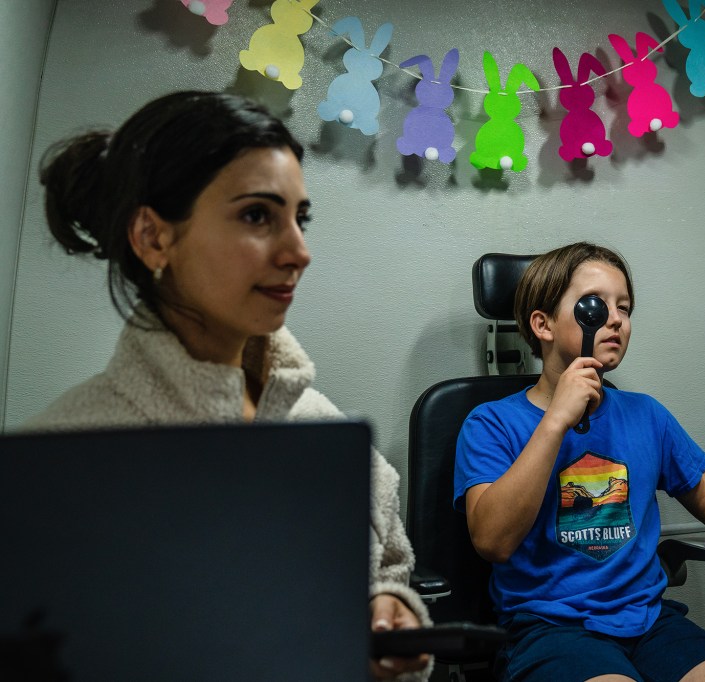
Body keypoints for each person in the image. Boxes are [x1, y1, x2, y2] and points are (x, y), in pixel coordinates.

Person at [25, 90, 429, 681]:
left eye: (300, 218)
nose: (300, 252)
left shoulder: (322, 428)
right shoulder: (61, 462)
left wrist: (389, 615)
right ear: (154, 238)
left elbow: (390, 573)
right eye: (258, 215)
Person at [454, 242, 705, 682]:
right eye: (597, 305)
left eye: (625, 307)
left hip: (648, 621)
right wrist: (556, 422)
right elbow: (493, 540)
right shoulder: (491, 423)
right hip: (549, 629)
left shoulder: (646, 414)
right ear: (542, 324)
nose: (617, 319)